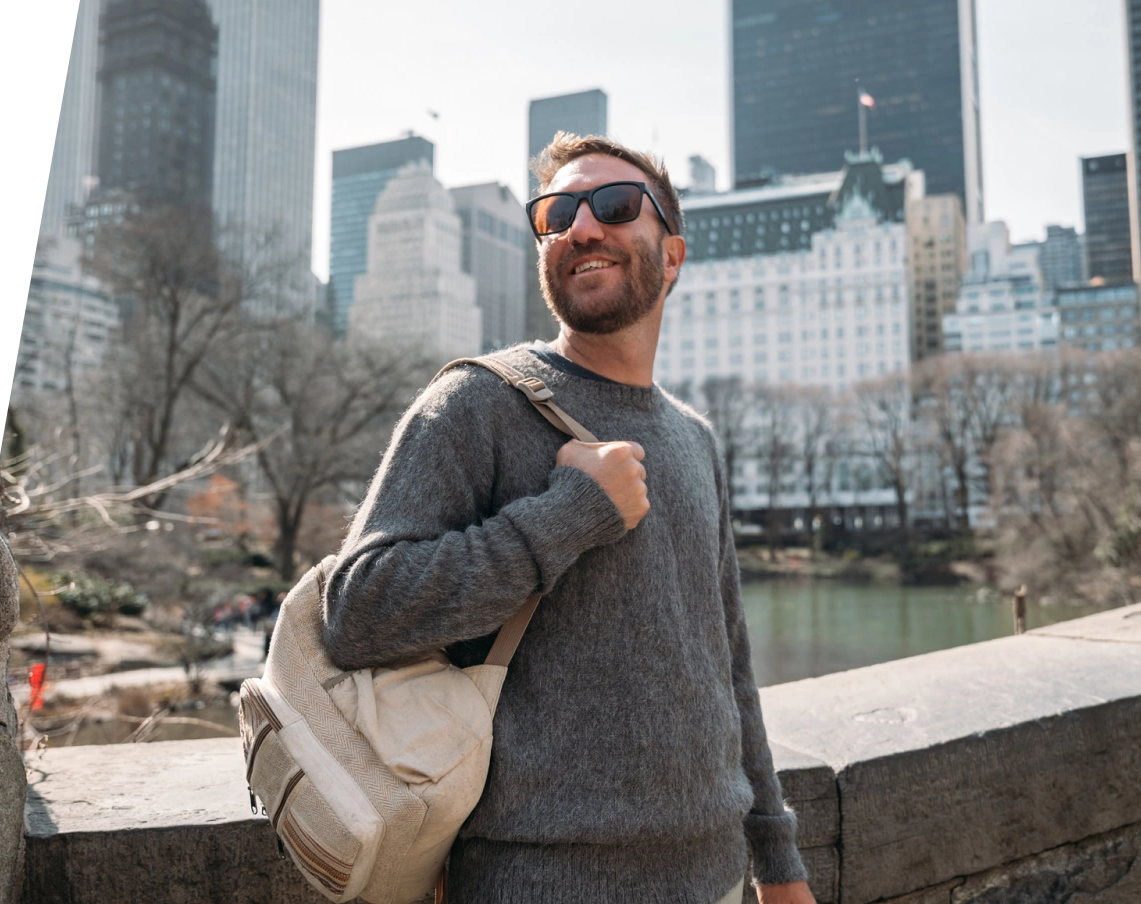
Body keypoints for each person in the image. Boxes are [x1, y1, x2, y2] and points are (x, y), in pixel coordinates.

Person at [322, 134, 816, 904]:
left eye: (615, 206)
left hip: (714, 879)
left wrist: (777, 864)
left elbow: (732, 671)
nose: (581, 228)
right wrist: (567, 516)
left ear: (673, 255)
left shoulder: (695, 439)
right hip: (536, 881)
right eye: (556, 215)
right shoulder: (477, 402)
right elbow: (356, 612)